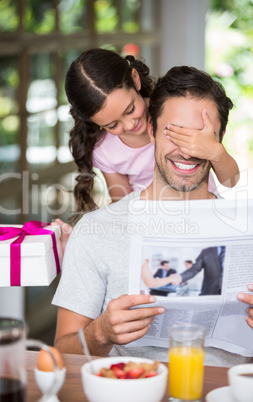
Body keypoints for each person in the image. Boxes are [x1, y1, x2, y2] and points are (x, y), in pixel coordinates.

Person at [52, 66, 252, 367]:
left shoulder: (246, 226)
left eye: (200, 136)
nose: (187, 151)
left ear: (219, 139)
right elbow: (62, 355)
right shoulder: (96, 230)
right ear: (152, 131)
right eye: (174, 133)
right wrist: (100, 333)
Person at [62, 48, 239, 226]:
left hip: (203, 211)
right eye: (112, 125)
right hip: (151, 220)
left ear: (135, 79)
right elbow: (123, 205)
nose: (130, 125)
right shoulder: (105, 151)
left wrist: (214, 151)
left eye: (130, 110)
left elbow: (231, 182)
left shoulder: (170, 107)